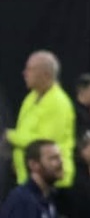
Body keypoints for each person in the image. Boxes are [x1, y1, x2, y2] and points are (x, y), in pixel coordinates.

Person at [5, 51, 76, 188]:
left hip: (52, 183)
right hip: (27, 179)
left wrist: (11, 136)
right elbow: (25, 131)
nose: (24, 73)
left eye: (30, 69)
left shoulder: (58, 103)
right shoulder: (31, 97)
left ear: (46, 74)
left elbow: (44, 145)